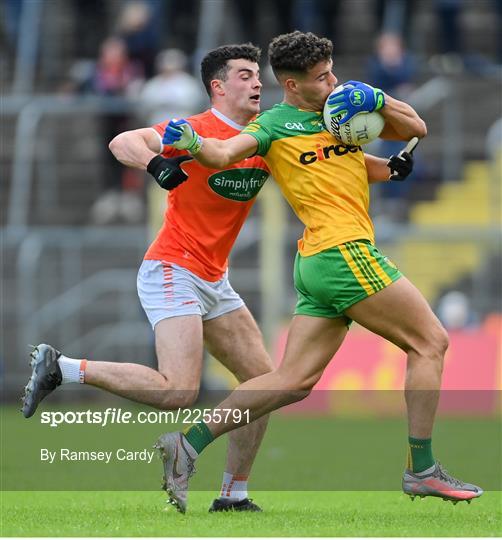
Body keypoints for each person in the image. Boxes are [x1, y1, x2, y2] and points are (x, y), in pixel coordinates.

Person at [153, 31, 483, 511]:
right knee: (430, 342)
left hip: (318, 264)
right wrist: (192, 140)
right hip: (343, 252)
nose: (332, 83)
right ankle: (422, 470)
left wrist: (379, 100)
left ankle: (186, 445)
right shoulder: (271, 127)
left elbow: (416, 128)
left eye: (332, 72)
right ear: (290, 85)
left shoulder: (342, 107)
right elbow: (224, 154)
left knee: (292, 381)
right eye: (320, 78)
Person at [21, 43, 274, 514]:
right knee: (179, 391)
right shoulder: (193, 130)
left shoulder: (264, 136)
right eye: (245, 75)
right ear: (218, 87)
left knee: (263, 383)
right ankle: (63, 367)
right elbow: (122, 142)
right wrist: (157, 164)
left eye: (258, 74)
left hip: (214, 277)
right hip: (173, 267)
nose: (258, 82)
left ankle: (233, 496)